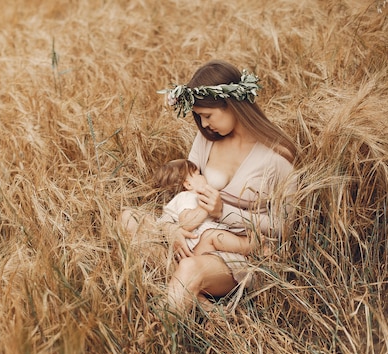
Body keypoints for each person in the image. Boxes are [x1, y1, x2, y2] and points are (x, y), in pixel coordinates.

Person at [121, 59, 297, 314]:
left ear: (233, 105)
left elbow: (285, 225)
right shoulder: (207, 140)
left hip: (238, 250)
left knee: (191, 269)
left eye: (207, 116)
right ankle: (199, 301)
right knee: (128, 219)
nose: (203, 125)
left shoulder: (276, 156)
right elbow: (188, 193)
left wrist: (224, 211)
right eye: (199, 117)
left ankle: (156, 335)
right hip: (195, 233)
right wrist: (172, 230)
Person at [153, 158, 254, 256]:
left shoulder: (188, 198)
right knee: (216, 236)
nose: (203, 176)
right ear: (188, 185)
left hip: (200, 245)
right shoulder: (185, 197)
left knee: (219, 236)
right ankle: (248, 246)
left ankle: (249, 245)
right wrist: (205, 206)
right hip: (198, 240)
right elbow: (186, 224)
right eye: (199, 174)